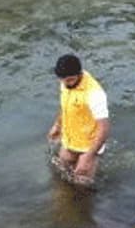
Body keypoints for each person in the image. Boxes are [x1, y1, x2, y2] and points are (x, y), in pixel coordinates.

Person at [46, 54, 110, 186]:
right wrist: (57, 125)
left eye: (70, 80)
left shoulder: (94, 94)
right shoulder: (66, 82)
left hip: (88, 145)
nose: (65, 83)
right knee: (60, 174)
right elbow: (66, 106)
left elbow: (104, 128)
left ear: (79, 74)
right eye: (62, 80)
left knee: (82, 186)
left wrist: (89, 156)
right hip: (71, 140)